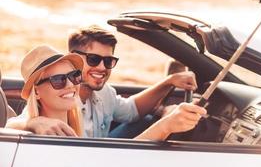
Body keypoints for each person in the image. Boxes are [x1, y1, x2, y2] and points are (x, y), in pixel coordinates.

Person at [6, 25, 207, 139]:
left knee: (146, 120)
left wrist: (168, 84)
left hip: (101, 151)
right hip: (101, 157)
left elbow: (131, 110)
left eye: (109, 61)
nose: (102, 67)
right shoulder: (52, 123)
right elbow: (11, 127)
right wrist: (33, 123)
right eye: (93, 59)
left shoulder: (102, 94)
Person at [8, 45, 84, 136]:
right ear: (36, 92)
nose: (70, 85)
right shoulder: (31, 132)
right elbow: (7, 127)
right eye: (58, 80)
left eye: (73, 75)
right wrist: (33, 123)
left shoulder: (83, 121)